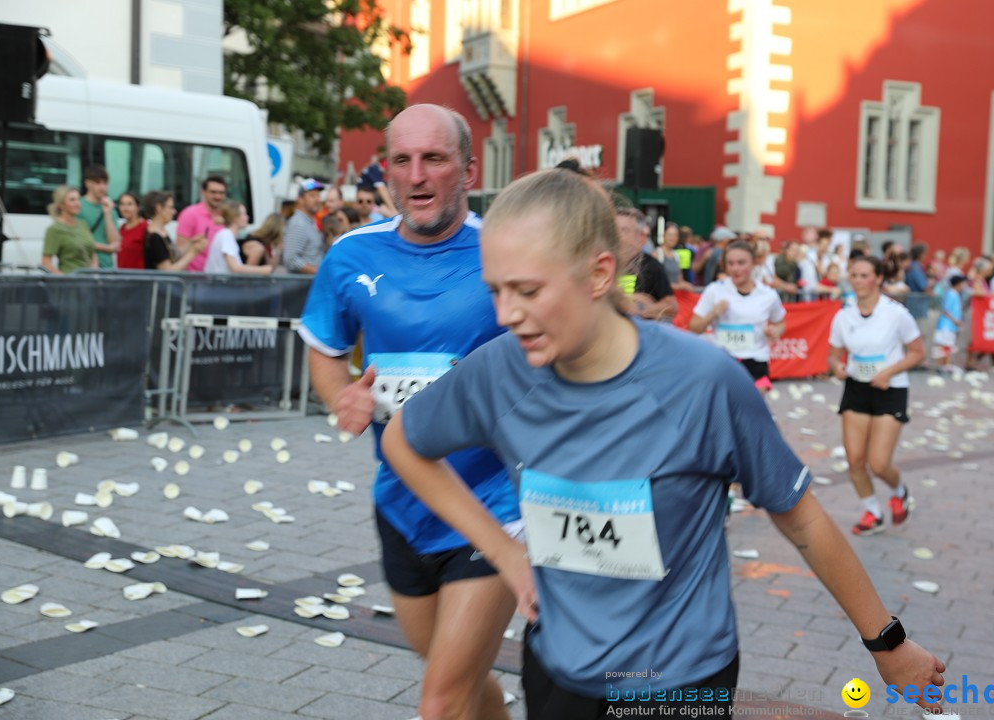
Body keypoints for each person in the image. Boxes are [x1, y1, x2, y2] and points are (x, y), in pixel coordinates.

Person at [380, 168, 947, 720]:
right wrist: (503, 551)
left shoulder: (702, 381)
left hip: (678, 681)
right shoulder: (500, 370)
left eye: (528, 290)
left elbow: (801, 520)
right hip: (558, 667)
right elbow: (405, 442)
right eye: (496, 291)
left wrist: (888, 644)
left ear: (600, 274)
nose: (508, 314)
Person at [298, 104, 520, 720]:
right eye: (402, 160)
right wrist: (341, 395)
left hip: (495, 503)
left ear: (468, 170)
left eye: (435, 159)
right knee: (468, 686)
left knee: (441, 703)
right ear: (388, 173)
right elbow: (326, 349)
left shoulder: (505, 251)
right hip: (400, 502)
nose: (418, 176)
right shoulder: (350, 255)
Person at [829, 256, 926, 536]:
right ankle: (872, 510)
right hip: (857, 388)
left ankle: (899, 490)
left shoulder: (896, 314)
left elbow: (919, 353)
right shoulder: (843, 315)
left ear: (879, 278)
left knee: (879, 463)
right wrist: (837, 368)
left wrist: (889, 372)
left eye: (864, 275)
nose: (858, 281)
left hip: (890, 389)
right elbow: (833, 357)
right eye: (854, 275)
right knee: (855, 460)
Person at [688, 240, 785, 392]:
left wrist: (775, 331)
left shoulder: (768, 295)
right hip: (722, 361)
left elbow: (780, 323)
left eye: (741, 263)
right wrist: (713, 314)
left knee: (752, 412)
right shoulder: (715, 290)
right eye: (730, 263)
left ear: (754, 263)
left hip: (756, 361)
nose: (735, 269)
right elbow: (693, 327)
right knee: (724, 412)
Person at [615, 207, 678, 321]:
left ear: (639, 235)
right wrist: (624, 299)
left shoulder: (651, 265)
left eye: (624, 230)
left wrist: (644, 309)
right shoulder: (601, 263)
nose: (617, 235)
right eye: (613, 229)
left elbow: (672, 306)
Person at [142, 191, 208, 271]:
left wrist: (192, 242)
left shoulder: (161, 232)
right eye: (171, 207)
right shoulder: (154, 237)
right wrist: (193, 252)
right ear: (159, 208)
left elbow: (173, 255)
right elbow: (167, 271)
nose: (174, 211)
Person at [204, 203, 272, 276]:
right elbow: (235, 268)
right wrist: (262, 270)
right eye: (244, 214)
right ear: (235, 218)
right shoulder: (226, 235)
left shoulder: (225, 234)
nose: (247, 217)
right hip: (219, 285)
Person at [41, 186, 97, 274]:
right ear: (61, 205)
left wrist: (94, 272)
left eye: (78, 199)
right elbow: (46, 262)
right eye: (72, 200)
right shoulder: (55, 229)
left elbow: (93, 253)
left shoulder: (83, 224)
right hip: (70, 282)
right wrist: (63, 279)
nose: (77, 203)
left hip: (89, 282)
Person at [177, 175, 227, 272]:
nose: (218, 196)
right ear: (203, 192)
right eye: (213, 192)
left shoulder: (226, 214)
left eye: (221, 193)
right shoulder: (190, 214)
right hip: (195, 276)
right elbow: (180, 250)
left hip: (220, 275)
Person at [78, 165, 121, 268]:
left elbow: (115, 243)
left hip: (107, 268)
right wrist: (107, 248)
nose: (103, 187)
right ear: (87, 184)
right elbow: (76, 240)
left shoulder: (110, 209)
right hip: (83, 266)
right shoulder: (78, 206)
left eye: (105, 183)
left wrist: (107, 214)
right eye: (98, 183)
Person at [283, 179, 326, 275]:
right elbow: (291, 259)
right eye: (312, 196)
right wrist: (319, 273)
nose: (318, 200)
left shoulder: (310, 222)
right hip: (301, 286)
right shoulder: (298, 223)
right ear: (300, 200)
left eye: (318, 195)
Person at [932, 275, 966, 372]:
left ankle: (946, 364)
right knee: (944, 345)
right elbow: (946, 310)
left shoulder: (955, 294)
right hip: (946, 325)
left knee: (948, 346)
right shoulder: (951, 294)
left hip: (951, 326)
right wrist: (955, 321)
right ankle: (942, 365)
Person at [116, 192, 147, 270]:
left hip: (139, 277)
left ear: (137, 207)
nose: (125, 208)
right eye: (122, 204)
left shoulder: (145, 227)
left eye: (130, 204)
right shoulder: (122, 228)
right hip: (122, 277)